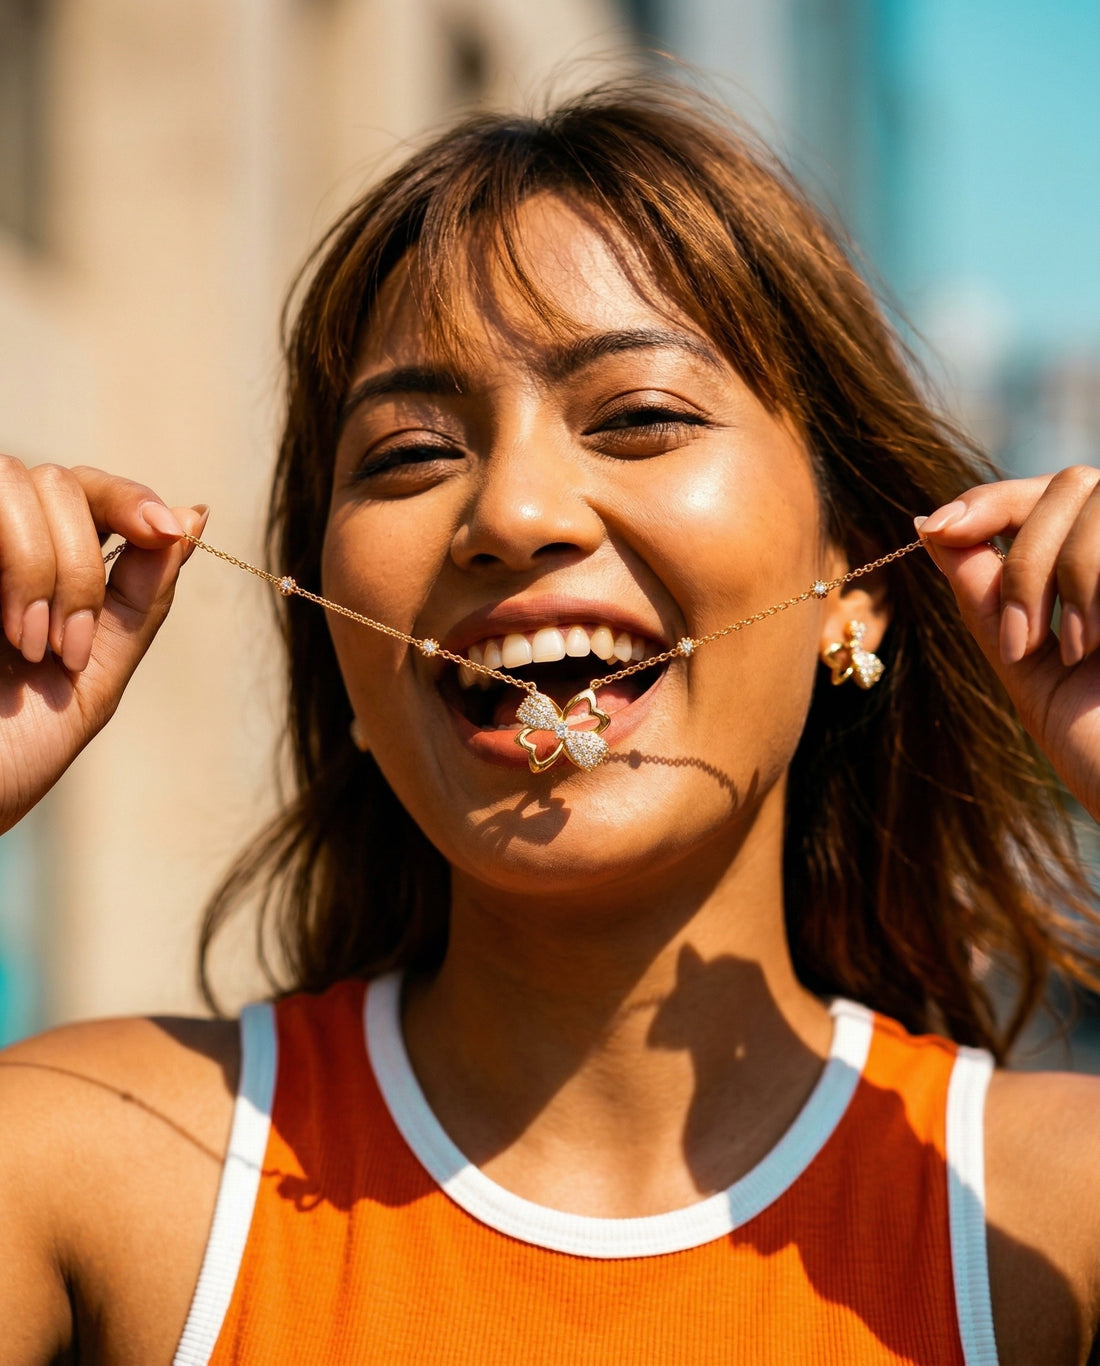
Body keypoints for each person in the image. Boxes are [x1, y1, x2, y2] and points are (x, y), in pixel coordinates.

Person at [1, 80, 1099, 1366]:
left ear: (847, 588)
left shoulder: (1047, 1219)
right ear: (337, 646)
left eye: (639, 417)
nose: (513, 513)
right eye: (408, 452)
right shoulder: (86, 1162)